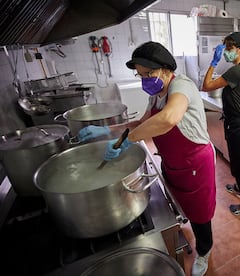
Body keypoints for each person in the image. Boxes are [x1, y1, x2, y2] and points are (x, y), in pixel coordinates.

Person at [78, 41, 216, 276]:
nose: (144, 79)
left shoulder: (181, 86)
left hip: (195, 164)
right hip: (174, 162)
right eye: (140, 74)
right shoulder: (156, 94)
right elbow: (141, 123)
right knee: (182, 206)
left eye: (148, 73)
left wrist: (128, 140)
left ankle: (204, 250)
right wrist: (108, 131)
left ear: (165, 69)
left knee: (201, 215)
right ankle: (190, 227)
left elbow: (168, 119)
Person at [202, 32, 240, 218]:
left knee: (238, 165)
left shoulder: (236, 71)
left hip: (239, 125)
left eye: (229, 49)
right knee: (237, 159)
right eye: (225, 49)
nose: (226, 52)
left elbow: (206, 85)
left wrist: (214, 62)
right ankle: (239, 188)